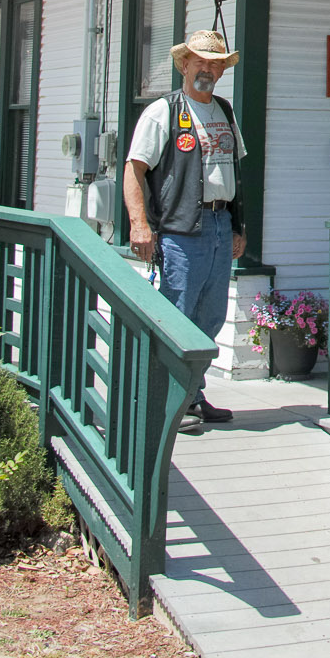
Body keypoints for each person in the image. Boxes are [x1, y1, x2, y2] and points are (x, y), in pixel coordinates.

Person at [124, 28, 246, 426]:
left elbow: (233, 172)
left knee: (210, 319)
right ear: (183, 65)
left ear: (222, 70)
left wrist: (238, 226)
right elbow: (134, 170)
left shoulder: (224, 110)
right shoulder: (162, 111)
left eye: (215, 63)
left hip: (220, 224)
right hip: (181, 230)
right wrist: (139, 225)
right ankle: (165, 405)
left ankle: (192, 395)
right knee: (177, 315)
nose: (207, 69)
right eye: (200, 62)